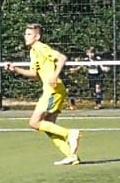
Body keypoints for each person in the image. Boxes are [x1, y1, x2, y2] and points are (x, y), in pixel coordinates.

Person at [7, 24, 81, 165]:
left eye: (29, 34)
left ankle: (70, 134)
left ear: (37, 36)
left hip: (53, 90)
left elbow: (62, 58)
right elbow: (34, 74)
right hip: (54, 90)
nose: (26, 37)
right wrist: (16, 69)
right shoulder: (33, 51)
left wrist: (54, 76)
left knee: (34, 122)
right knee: (48, 126)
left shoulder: (41, 47)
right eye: (25, 34)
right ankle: (71, 155)